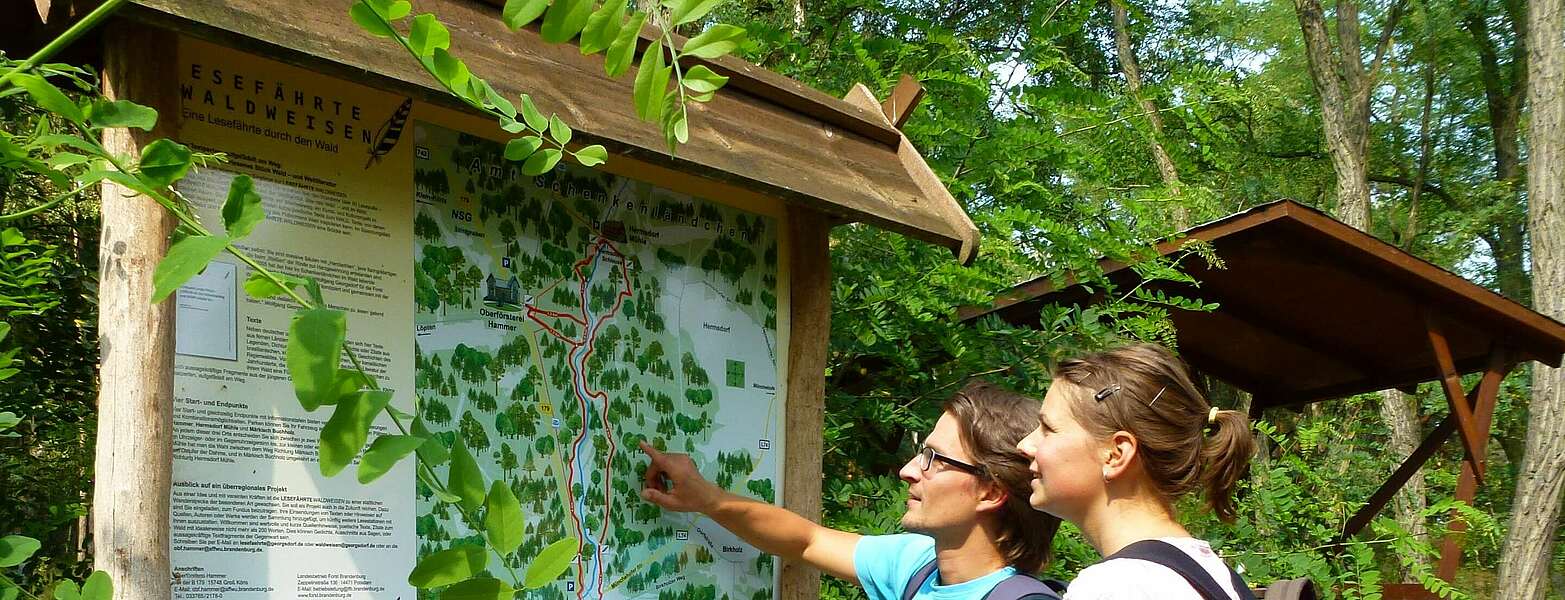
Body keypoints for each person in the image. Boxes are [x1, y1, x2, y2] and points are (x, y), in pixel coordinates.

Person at [639, 380, 1062, 600]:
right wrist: (705, 497)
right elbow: (807, 540)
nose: (908, 470)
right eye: (921, 453)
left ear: (991, 492)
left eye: (935, 459)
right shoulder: (918, 566)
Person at [1015, 343, 1257, 600]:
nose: (1024, 445)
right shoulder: (1215, 575)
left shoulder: (1117, 587)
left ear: (1116, 454)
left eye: (1048, 429)